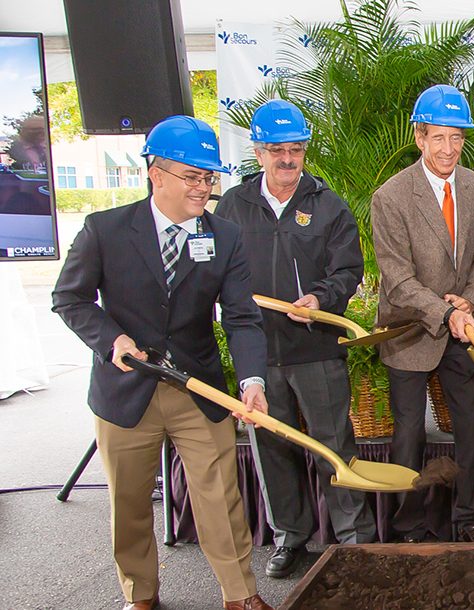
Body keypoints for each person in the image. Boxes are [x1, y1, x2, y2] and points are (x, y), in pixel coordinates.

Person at [51, 115, 273, 610]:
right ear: (156, 172)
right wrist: (112, 339)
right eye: (192, 176)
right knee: (129, 504)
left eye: (209, 177)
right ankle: (140, 595)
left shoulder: (227, 237)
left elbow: (241, 317)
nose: (204, 188)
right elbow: (70, 299)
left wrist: (251, 380)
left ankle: (241, 595)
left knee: (220, 496)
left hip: (198, 388)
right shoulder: (104, 230)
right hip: (126, 391)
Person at [215, 99, 374, 577]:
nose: (288, 159)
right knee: (271, 447)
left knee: (333, 444)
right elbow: (219, 271)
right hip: (258, 354)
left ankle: (352, 539)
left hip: (315, 351)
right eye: (277, 150)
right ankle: (291, 537)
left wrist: (322, 299)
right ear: (258, 153)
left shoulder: (328, 206)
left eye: (296, 149)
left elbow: (349, 270)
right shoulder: (232, 206)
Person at [371, 84, 474, 543]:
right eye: (438, 138)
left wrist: (471, 299)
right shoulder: (390, 197)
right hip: (409, 329)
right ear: (420, 138)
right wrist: (444, 314)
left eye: (457, 138)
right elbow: (398, 280)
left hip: (463, 329)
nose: (448, 149)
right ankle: (410, 527)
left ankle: (471, 520)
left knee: (469, 428)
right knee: (408, 434)